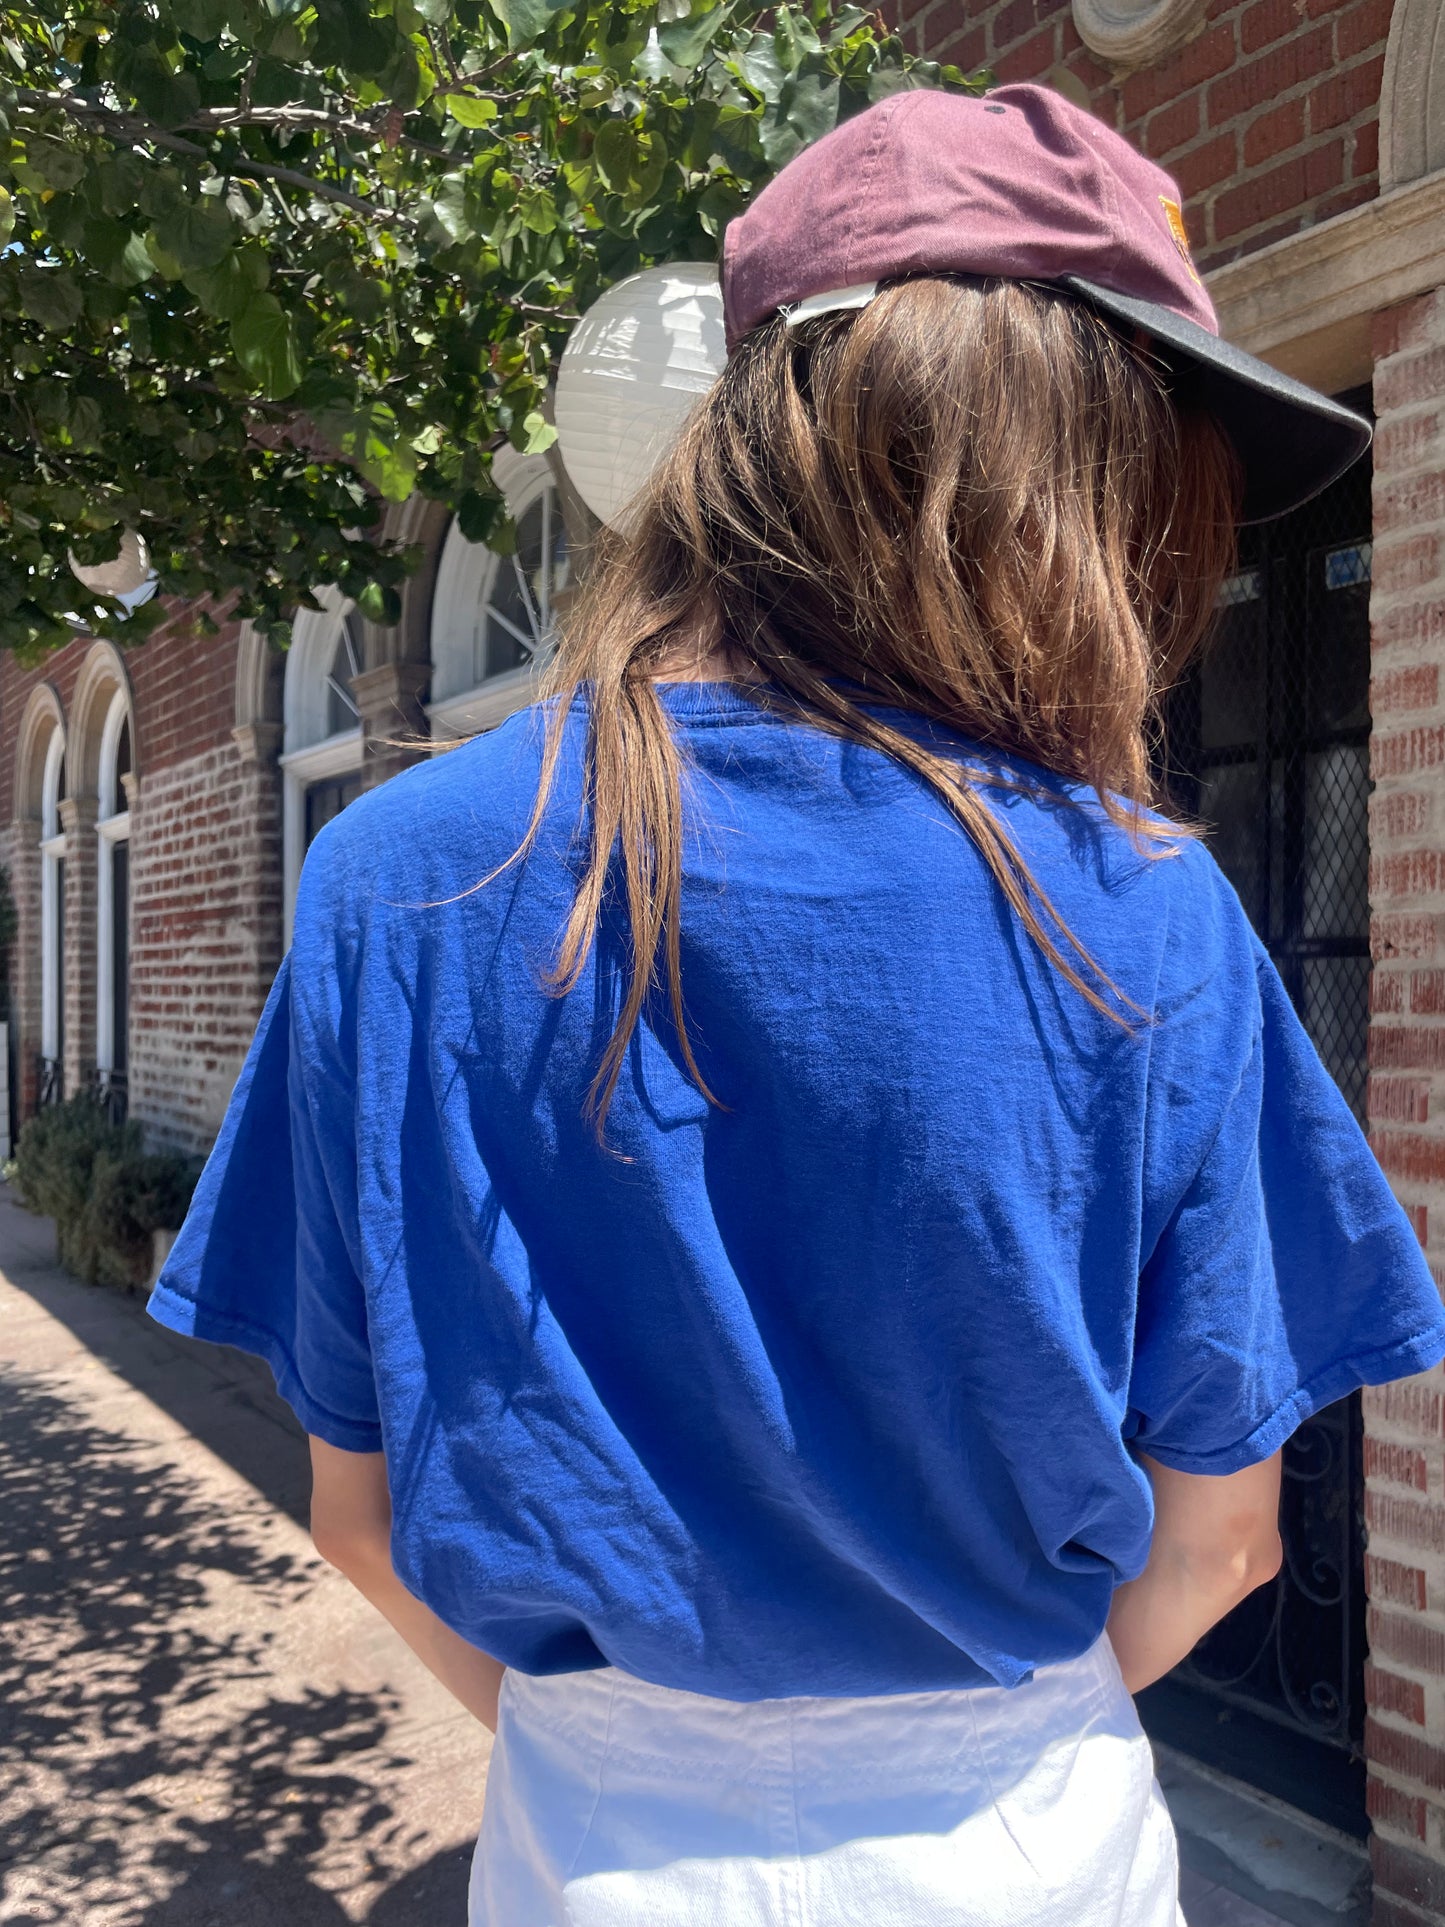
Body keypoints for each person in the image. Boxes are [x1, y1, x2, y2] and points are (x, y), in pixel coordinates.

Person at [149, 83, 1445, 1927]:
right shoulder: (1143, 913)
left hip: (589, 1845)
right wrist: (964, 1754)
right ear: (1052, 473)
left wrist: (642, 1762)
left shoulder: (395, 875)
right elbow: (1226, 1539)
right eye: (1155, 477)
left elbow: (358, 1507)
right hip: (1023, 1851)